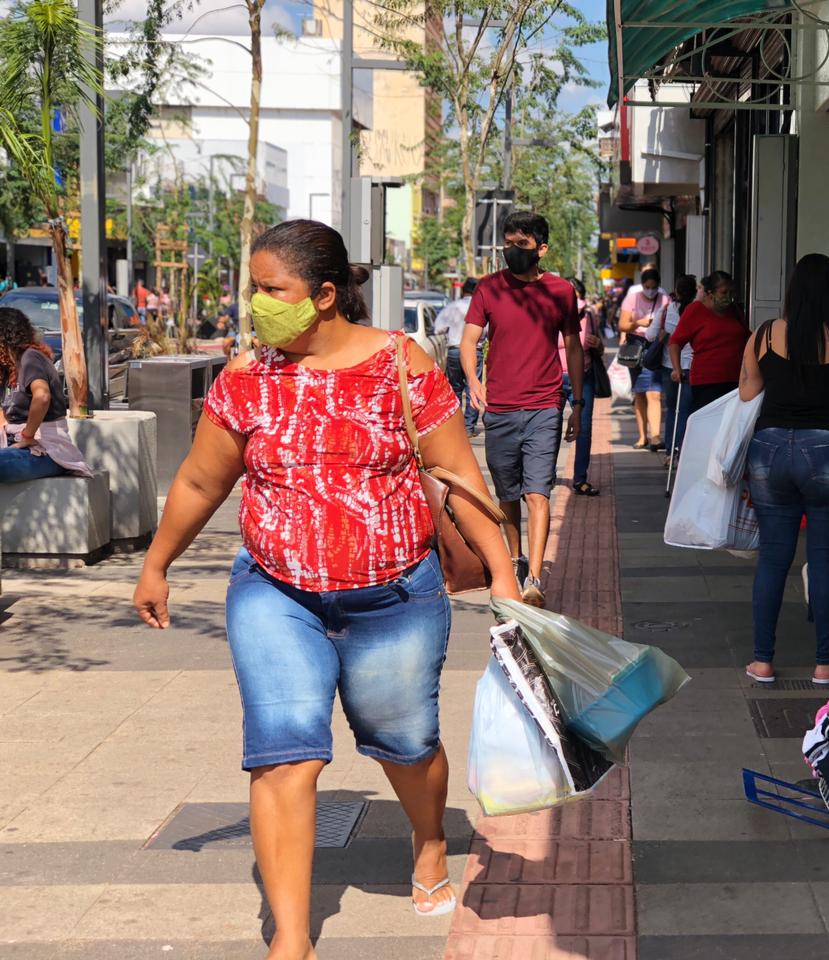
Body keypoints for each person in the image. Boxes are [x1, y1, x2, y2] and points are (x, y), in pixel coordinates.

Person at [131, 220, 519, 956]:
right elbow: (201, 479)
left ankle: (430, 838)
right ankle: (291, 938)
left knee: (405, 745)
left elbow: (460, 481)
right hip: (276, 595)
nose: (257, 305)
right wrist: (158, 562)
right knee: (283, 755)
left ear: (326, 294)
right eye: (255, 290)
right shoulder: (246, 380)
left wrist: (504, 575)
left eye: (271, 290)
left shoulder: (403, 367)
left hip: (395, 598)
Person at [738, 255, 829, 685]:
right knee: (823, 561)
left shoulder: (764, 335)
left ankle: (762, 660)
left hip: (769, 450)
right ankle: (825, 661)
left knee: (773, 560)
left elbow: (747, 393)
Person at [462, 210, 583, 607]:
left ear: (541, 248)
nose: (512, 250)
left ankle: (533, 575)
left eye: (522, 244)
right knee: (507, 493)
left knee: (538, 491)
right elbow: (470, 342)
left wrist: (578, 403)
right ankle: (515, 557)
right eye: (508, 243)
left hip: (545, 403)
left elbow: (574, 345)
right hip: (499, 407)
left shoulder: (561, 291)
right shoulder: (488, 288)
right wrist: (475, 381)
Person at [0, 307, 92, 482]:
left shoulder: (31, 358)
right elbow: (3, 416)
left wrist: (27, 436)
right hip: (14, 445)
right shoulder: (7, 370)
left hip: (45, 449)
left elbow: (42, 397)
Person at [669, 271, 749, 411]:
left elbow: (746, 337)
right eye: (724, 292)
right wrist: (677, 369)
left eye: (732, 292)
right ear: (710, 293)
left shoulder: (734, 310)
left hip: (736, 378)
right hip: (707, 381)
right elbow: (675, 342)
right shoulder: (695, 310)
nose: (729, 297)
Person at [646, 273, 696, 464]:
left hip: (669, 367)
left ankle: (669, 452)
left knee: (672, 409)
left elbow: (650, 336)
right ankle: (682, 451)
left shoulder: (666, 310)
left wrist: (664, 331)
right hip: (691, 367)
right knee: (685, 410)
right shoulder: (697, 311)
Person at [617, 268, 669, 450]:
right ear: (642, 285)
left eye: (654, 287)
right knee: (639, 393)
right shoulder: (633, 298)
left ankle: (655, 436)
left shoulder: (664, 299)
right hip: (636, 348)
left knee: (654, 393)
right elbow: (622, 324)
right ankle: (642, 436)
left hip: (654, 348)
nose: (650, 291)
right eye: (647, 287)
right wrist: (638, 322)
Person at [561, 277, 603, 496]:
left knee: (584, 429)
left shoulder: (589, 317)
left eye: (575, 293)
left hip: (583, 376)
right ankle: (543, 478)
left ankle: (580, 479)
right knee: (548, 429)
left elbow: (600, 347)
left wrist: (599, 345)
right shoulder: (551, 314)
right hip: (553, 378)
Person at [435, 277, 482, 436]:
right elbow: (488, 330)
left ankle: (455, 425)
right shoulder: (480, 306)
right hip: (475, 351)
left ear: (463, 290)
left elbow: (438, 328)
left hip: (454, 350)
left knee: (455, 388)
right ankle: (469, 427)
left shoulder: (452, 307)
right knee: (472, 388)